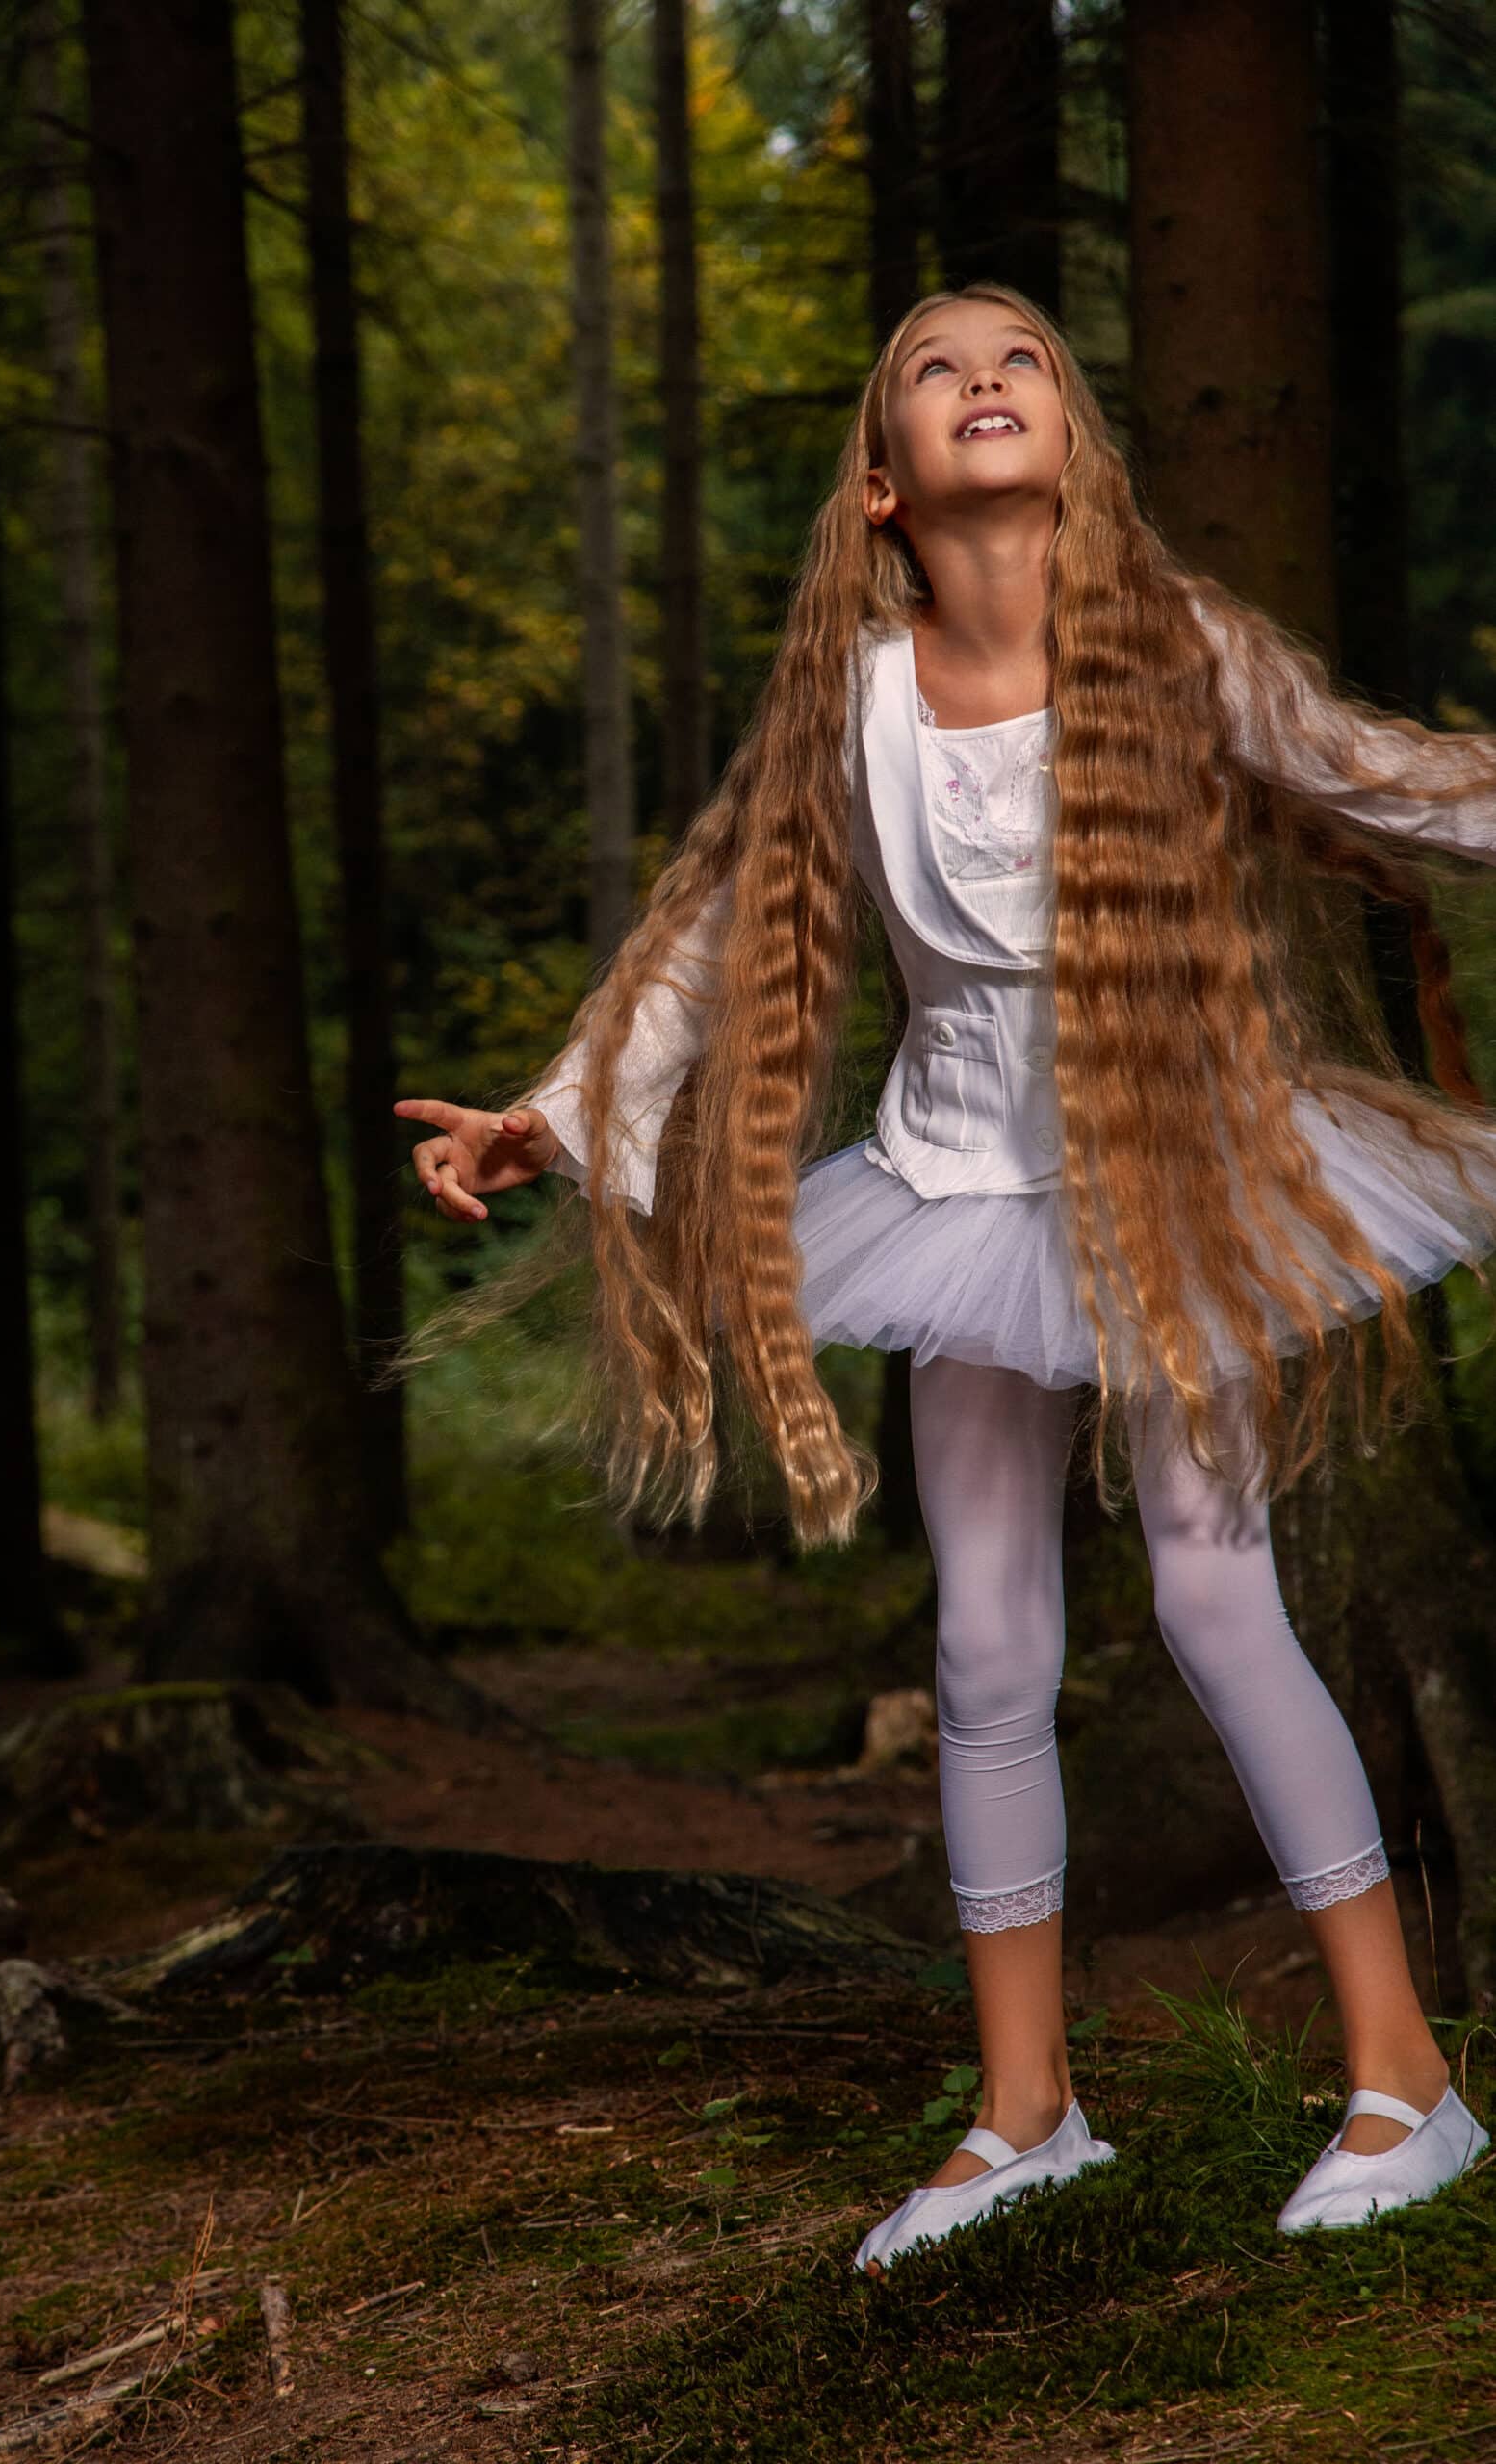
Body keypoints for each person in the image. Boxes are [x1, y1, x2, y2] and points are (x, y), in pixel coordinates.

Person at [392, 284, 1496, 2274]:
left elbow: (1388, 780)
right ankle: (1024, 2109)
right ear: (883, 487)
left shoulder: (1176, 650)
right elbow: (720, 936)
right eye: (934, 367)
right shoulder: (859, 699)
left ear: (1069, 441)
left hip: (1183, 1186)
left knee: (1210, 1593)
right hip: (952, 1191)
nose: (985, 379)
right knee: (982, 1646)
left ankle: (1403, 2076)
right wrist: (546, 1118)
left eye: (1022, 362)